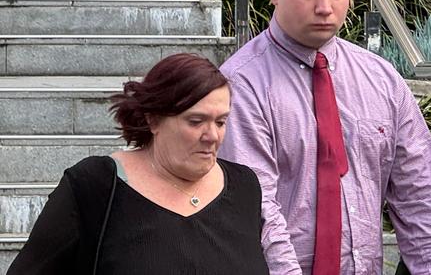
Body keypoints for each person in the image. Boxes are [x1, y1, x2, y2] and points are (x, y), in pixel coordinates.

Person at [218, 0, 431, 275]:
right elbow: (259, 213)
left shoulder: (381, 79)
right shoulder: (241, 83)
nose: (325, 7)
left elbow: (422, 198)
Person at [7, 53, 269, 275]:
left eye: (220, 122)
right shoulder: (95, 185)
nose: (212, 135)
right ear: (153, 120)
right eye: (195, 121)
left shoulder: (245, 186)